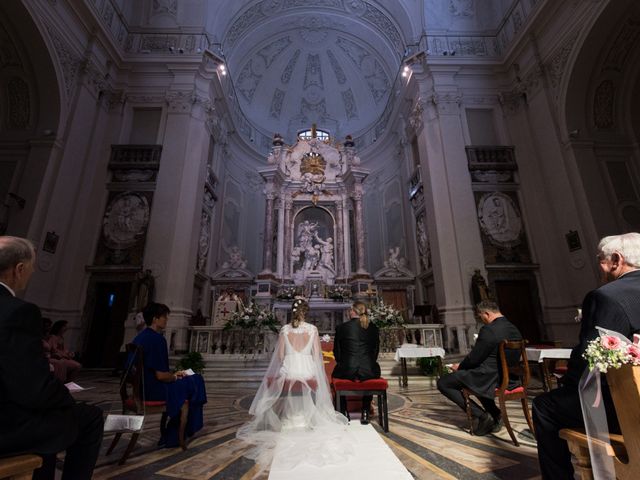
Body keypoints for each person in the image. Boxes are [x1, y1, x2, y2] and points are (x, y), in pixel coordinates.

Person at [533, 233, 640, 479]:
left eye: (601, 261)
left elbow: (588, 359)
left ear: (616, 260)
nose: (600, 269)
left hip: (627, 404)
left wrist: (568, 384)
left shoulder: (606, 296)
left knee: (545, 406)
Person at [0, 236, 103, 480]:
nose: (33, 272)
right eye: (31, 267)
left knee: (48, 420)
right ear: (19, 269)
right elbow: (33, 389)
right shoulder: (18, 311)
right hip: (5, 426)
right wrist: (64, 396)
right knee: (88, 417)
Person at [236, 297, 351, 472]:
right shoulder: (312, 330)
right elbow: (316, 355)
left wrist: (292, 361)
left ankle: (288, 420)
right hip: (307, 372)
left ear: (293, 311)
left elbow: (281, 356)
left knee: (287, 377)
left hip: (288, 372)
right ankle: (306, 419)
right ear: (306, 312)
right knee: (309, 377)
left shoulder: (284, 330)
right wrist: (306, 364)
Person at [436, 300, 522, 436]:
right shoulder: (514, 328)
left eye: (481, 317)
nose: (482, 320)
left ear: (486, 314)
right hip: (509, 379)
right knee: (472, 378)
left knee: (444, 383)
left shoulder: (489, 330)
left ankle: (482, 416)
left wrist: (459, 366)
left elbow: (475, 358)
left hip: (489, 377)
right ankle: (495, 414)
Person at [131, 302, 207, 447]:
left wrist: (174, 375)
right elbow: (161, 376)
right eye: (165, 317)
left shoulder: (140, 337)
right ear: (155, 318)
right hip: (154, 390)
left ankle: (173, 432)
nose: (166, 320)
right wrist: (175, 376)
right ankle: (177, 433)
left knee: (191, 383)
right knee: (196, 381)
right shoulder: (157, 339)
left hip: (142, 387)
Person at [332, 301, 381, 424]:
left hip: (347, 368)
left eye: (350, 310)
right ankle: (365, 411)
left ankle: (344, 412)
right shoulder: (374, 328)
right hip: (369, 369)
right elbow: (375, 351)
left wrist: (344, 364)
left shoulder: (341, 328)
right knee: (370, 376)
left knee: (336, 374)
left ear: (352, 311)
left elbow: (337, 353)